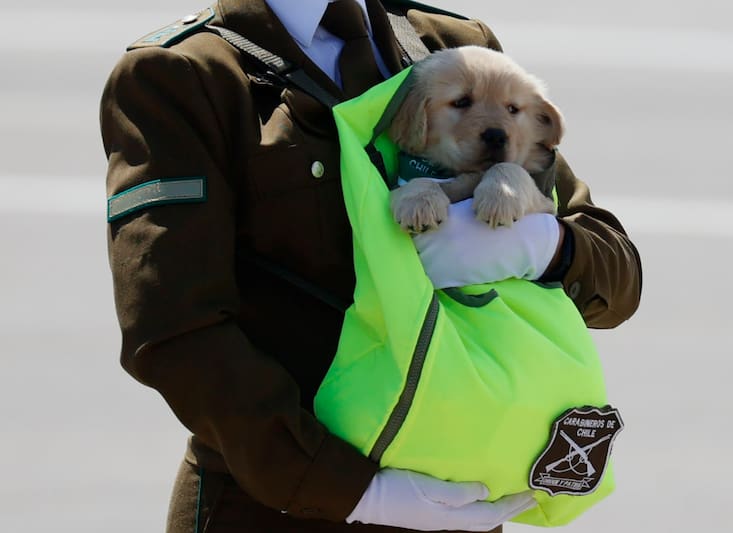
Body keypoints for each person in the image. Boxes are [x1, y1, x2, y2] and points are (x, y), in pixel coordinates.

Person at [100, 0, 642, 532]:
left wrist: (545, 247)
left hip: (461, 490)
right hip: (279, 507)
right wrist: (356, 492)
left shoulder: (452, 45)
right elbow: (173, 328)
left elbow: (616, 278)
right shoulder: (184, 72)